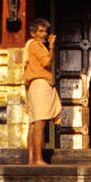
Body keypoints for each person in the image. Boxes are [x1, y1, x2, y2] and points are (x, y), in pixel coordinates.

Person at [24, 18, 61, 165]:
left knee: (33, 124)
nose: (44, 34)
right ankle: (38, 158)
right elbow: (46, 62)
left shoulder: (29, 46)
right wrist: (51, 47)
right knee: (40, 123)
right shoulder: (36, 45)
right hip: (40, 84)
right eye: (40, 31)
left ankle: (32, 159)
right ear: (33, 33)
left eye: (45, 31)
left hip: (33, 86)